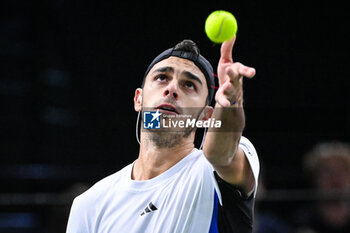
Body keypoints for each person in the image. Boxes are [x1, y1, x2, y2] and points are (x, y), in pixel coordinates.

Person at [66, 37, 260, 233]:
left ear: (205, 116)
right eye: (162, 78)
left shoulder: (209, 172)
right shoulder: (89, 205)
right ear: (138, 99)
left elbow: (220, 153)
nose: (172, 89)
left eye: (189, 84)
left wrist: (230, 102)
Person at [293, 141, 350, 233]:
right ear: (314, 178)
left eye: (343, 171)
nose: (335, 178)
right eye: (327, 171)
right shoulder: (302, 220)